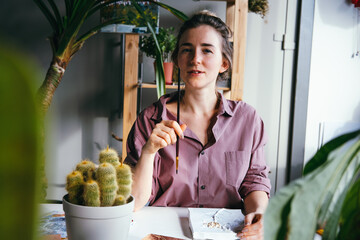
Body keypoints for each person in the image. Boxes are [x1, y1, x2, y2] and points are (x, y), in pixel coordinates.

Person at [125, 10, 271, 239]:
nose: (195, 59)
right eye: (187, 50)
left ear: (224, 62)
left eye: (206, 50)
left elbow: (255, 181)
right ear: (177, 60)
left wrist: (259, 213)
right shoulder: (150, 119)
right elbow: (134, 202)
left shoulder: (248, 120)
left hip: (227, 233)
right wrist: (148, 151)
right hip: (163, 232)